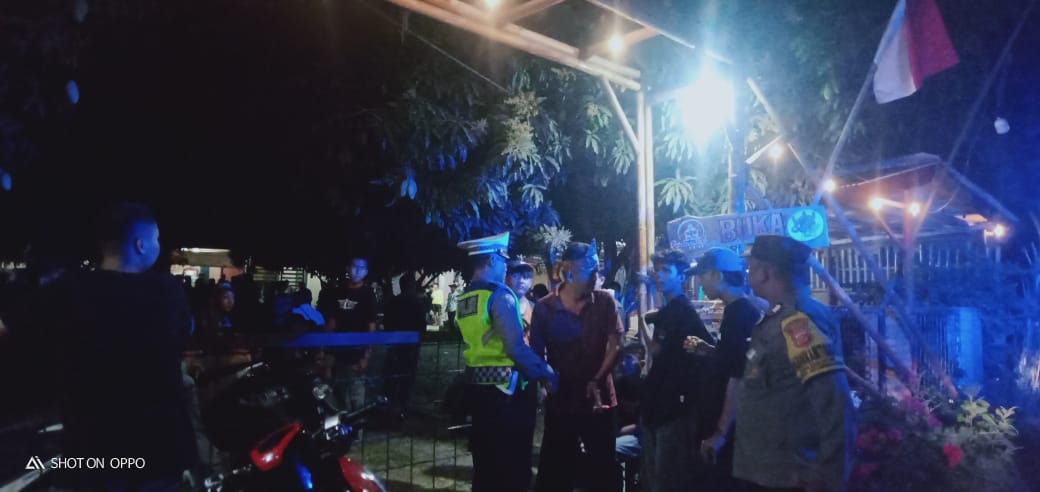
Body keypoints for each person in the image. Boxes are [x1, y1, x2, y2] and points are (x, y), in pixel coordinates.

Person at [40, 203, 198, 490]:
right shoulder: (167, 292)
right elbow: (186, 331)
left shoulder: (66, 289)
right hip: (159, 449)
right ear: (140, 245)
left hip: (91, 450)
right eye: (156, 239)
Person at [735, 235, 856, 492]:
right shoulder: (782, 316)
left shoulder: (797, 321)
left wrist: (828, 473)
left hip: (789, 476)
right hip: (773, 471)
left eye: (750, 267)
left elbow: (832, 398)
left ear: (764, 273)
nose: (748, 274)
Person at [455, 232, 557, 492]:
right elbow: (515, 347)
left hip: (476, 387)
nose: (505, 267)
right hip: (507, 391)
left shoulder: (465, 297)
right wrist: (546, 371)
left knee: (485, 462)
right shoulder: (501, 295)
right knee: (513, 463)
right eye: (503, 260)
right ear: (491, 260)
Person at [530, 240, 622, 492]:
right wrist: (546, 379)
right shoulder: (545, 307)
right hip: (562, 400)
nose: (596, 275)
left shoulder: (604, 301)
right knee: (555, 472)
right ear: (569, 271)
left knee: (603, 471)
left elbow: (616, 343)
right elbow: (537, 353)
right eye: (589, 268)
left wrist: (597, 379)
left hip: (599, 400)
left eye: (597, 268)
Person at [636, 249, 713, 492]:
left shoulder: (678, 311)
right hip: (665, 402)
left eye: (666, 270)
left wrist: (642, 321)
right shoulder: (673, 310)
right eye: (657, 270)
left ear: (681, 276)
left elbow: (656, 351)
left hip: (672, 406)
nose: (659, 275)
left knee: (665, 476)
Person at [686, 247, 761, 490]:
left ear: (717, 275)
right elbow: (733, 358)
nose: (700, 282)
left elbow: (738, 375)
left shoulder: (739, 314)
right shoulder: (738, 310)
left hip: (730, 433)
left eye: (702, 275)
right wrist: (710, 351)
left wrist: (720, 432)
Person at [318, 256, 377, 411]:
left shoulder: (368, 294)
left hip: (356, 355)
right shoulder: (337, 292)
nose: (358, 271)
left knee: (357, 400)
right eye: (355, 266)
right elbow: (331, 323)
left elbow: (371, 326)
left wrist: (366, 355)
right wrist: (323, 349)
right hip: (336, 354)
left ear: (367, 272)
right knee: (337, 399)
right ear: (348, 268)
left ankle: (357, 427)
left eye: (362, 268)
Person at [382, 272, 427, 417]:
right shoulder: (416, 304)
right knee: (407, 377)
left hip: (395, 345)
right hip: (410, 346)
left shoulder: (393, 303)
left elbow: (387, 323)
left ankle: (390, 405)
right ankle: (403, 405)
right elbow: (422, 325)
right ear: (411, 286)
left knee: (392, 376)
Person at [505, 260, 535, 326]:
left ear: (530, 282)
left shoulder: (535, 309)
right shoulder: (497, 306)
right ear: (506, 279)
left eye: (526, 276)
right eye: (515, 275)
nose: (521, 281)